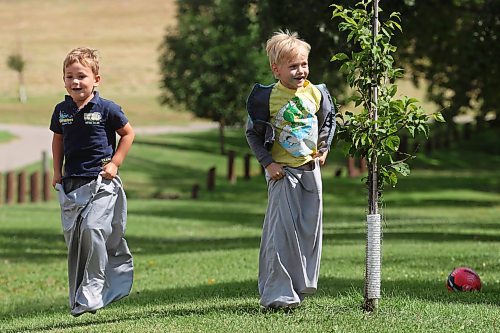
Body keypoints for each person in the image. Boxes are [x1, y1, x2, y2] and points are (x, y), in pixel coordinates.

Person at [245, 30, 336, 309]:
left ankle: (297, 287)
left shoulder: (316, 93)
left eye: (304, 64)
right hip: (282, 172)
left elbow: (328, 122)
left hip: (310, 171)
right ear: (276, 69)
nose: (300, 71)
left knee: (308, 231)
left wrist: (324, 148)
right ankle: (277, 295)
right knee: (280, 234)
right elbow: (252, 134)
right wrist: (268, 163)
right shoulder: (267, 98)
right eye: (293, 66)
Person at [50, 47, 135, 316]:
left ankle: (95, 287)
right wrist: (56, 171)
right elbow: (58, 140)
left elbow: (128, 134)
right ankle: (83, 294)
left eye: (82, 76)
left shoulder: (107, 109)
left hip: (101, 183)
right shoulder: (61, 110)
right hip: (73, 185)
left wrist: (115, 163)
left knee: (92, 229)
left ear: (96, 79)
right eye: (69, 76)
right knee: (77, 239)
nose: (75, 82)